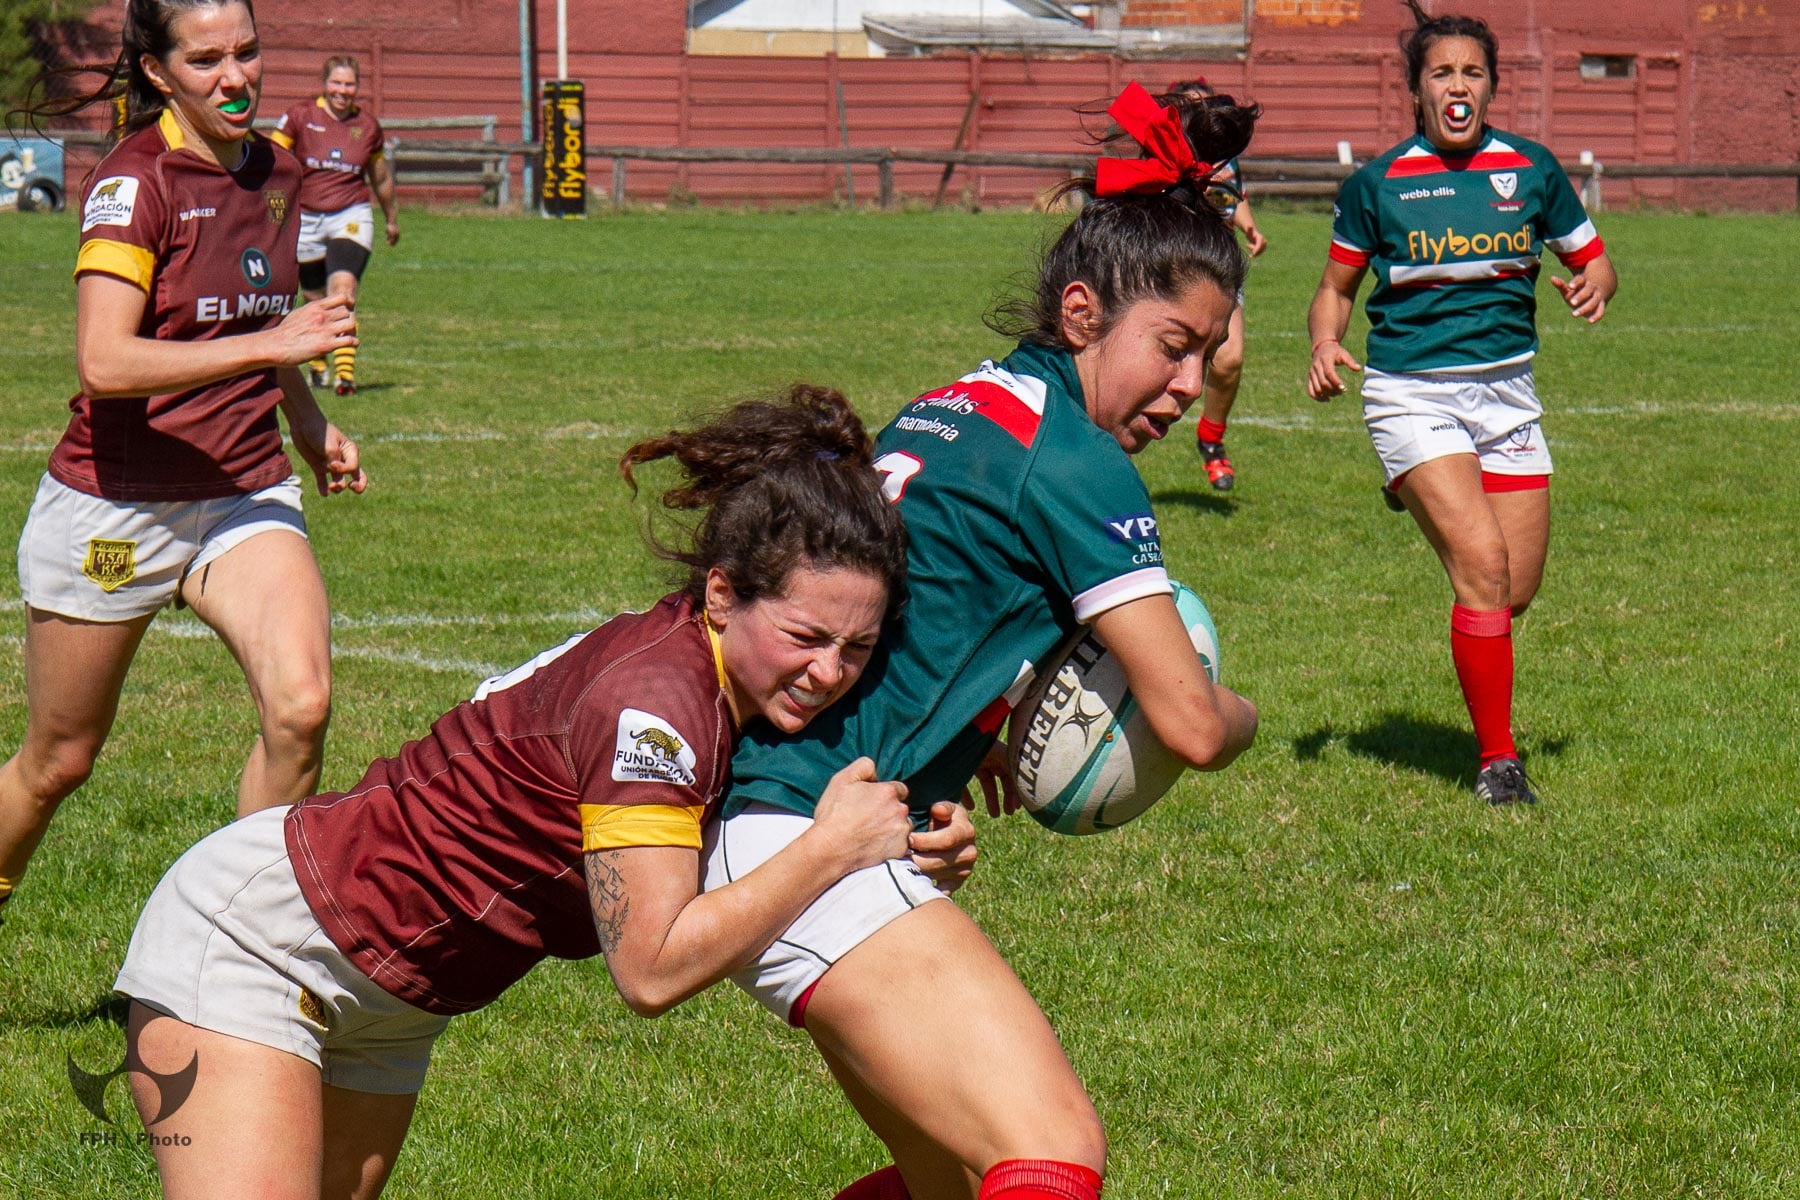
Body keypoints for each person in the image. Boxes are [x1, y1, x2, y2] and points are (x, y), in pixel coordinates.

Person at [114, 386, 979, 1198]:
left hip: (395, 1006)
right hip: (259, 945)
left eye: (856, 648)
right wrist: (834, 849)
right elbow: (649, 968)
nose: (828, 672)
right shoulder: (656, 709)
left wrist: (906, 829)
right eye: (806, 636)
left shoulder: (728, 678)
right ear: (721, 593)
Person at [711, 82, 1261, 1200]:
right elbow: (1192, 728)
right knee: (1048, 1153)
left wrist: (971, 745)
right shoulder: (1075, 463)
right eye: (1172, 345)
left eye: (1207, 354)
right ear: (1080, 314)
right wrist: (1241, 705)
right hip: (807, 833)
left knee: (949, 1184)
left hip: (794, 812)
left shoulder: (965, 399)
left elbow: (941, 600)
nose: (1190, 383)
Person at [0, 0, 366, 923]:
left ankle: (233, 944)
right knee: (59, 761)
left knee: (301, 708)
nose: (236, 76)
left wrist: (311, 425)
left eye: (247, 52)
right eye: (206, 60)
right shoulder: (135, 184)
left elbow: (258, 329)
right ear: (159, 72)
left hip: (243, 490)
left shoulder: (277, 169)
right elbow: (105, 362)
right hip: (116, 508)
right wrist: (271, 346)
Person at [1305, 1, 1617, 805]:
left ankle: (1417, 486)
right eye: (1441, 71)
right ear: (1416, 90)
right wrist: (1322, 341)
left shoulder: (1533, 171)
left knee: (1513, 591)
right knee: (1481, 572)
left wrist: (1595, 281)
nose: (1457, 85)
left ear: (1491, 86)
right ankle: (1498, 763)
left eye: (1471, 72)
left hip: (1508, 398)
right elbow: (1335, 289)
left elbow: (1595, 257)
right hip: (1412, 393)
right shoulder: (1377, 186)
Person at [271, 54, 398, 395]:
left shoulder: (368, 127)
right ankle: (317, 363)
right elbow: (272, 158)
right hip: (306, 218)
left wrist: (391, 218)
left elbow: (381, 177)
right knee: (314, 299)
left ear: (358, 87)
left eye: (350, 84)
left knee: (342, 294)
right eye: (337, 83)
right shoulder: (300, 116)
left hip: (351, 215)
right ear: (325, 84)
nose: (343, 90)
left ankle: (345, 376)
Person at [1168, 77, 1268, 492]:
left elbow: (1234, 195)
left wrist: (1250, 227)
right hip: (1171, 266)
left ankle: (1210, 439)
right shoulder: (1167, 153)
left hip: (1219, 263)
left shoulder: (1224, 155)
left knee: (1228, 361)